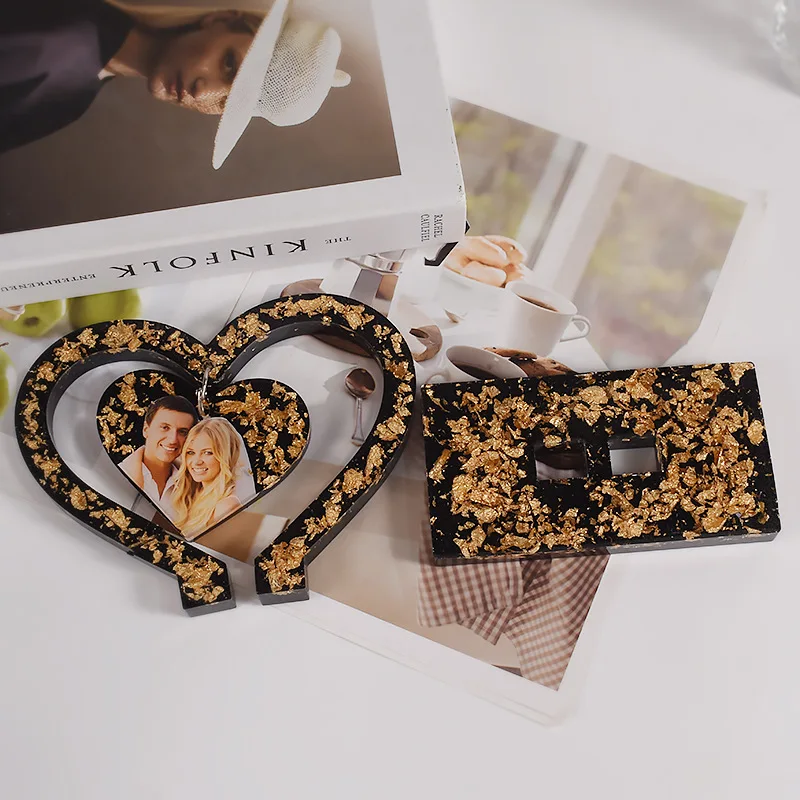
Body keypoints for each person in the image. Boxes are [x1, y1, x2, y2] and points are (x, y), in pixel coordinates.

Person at [1, 0, 351, 165]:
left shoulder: (80, 91)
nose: (203, 92)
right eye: (229, 64)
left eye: (227, 103)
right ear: (221, 19)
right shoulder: (61, 45)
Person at [119, 395, 199, 518]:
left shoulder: (194, 486)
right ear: (146, 429)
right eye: (165, 428)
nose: (173, 440)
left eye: (182, 432)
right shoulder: (118, 476)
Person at [171, 416, 244, 540]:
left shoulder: (227, 506)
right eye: (191, 452)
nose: (196, 462)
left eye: (208, 452)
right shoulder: (192, 498)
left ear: (225, 456)